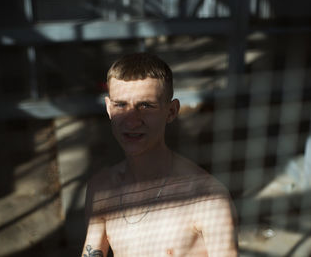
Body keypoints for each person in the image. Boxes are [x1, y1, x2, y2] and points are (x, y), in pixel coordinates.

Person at [82, 52, 239, 257]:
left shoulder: (207, 200)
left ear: (172, 111)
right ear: (109, 109)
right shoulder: (101, 189)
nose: (132, 121)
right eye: (121, 105)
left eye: (146, 106)